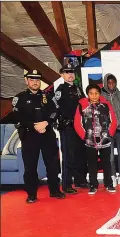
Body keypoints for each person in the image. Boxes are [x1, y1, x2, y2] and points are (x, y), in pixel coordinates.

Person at [12, 69, 66, 203]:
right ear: (26, 81)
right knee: (30, 167)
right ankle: (31, 194)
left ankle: (54, 191)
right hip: (30, 136)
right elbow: (17, 118)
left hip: (47, 134)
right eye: (32, 80)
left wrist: (46, 122)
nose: (35, 83)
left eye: (37, 80)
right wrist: (33, 126)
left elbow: (56, 111)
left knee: (52, 164)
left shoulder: (47, 96)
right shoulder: (20, 98)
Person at [74, 84, 118, 194]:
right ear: (88, 94)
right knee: (92, 164)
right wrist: (84, 136)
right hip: (89, 141)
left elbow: (113, 121)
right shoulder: (82, 105)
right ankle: (93, 185)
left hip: (105, 140)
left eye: (96, 93)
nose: (94, 96)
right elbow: (77, 123)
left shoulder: (106, 105)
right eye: (91, 93)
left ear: (100, 94)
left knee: (107, 163)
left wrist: (110, 134)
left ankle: (109, 184)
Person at [54, 63, 87, 193]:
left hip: (79, 126)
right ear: (62, 75)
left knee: (80, 153)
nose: (70, 75)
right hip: (67, 126)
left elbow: (84, 104)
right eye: (67, 72)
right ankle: (67, 184)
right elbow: (58, 108)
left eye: (72, 72)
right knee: (69, 155)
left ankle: (80, 180)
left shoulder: (78, 89)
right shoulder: (60, 90)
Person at [101, 74, 120, 183]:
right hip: (107, 131)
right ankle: (112, 176)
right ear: (105, 83)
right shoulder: (100, 96)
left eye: (113, 82)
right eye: (109, 82)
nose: (111, 84)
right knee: (110, 156)